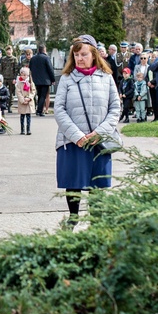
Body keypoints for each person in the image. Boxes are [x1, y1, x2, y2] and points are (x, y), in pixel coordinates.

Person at [54, 35, 120, 227]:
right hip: (73, 142)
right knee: (73, 183)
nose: (80, 59)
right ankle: (73, 219)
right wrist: (77, 136)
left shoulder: (106, 78)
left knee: (97, 184)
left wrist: (100, 132)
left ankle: (97, 224)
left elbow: (115, 108)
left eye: (83, 54)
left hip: (99, 141)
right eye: (76, 55)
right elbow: (59, 110)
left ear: (94, 55)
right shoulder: (67, 79)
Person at [30, 44, 55, 116]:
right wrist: (52, 79)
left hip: (36, 80)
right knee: (43, 96)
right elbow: (50, 69)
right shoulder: (46, 58)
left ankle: (38, 109)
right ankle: (39, 111)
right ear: (44, 50)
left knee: (39, 95)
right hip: (45, 80)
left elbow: (31, 68)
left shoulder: (33, 58)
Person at [15, 66, 36, 134]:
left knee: (28, 116)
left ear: (27, 75)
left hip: (29, 102)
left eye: (25, 75)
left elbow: (33, 91)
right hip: (22, 102)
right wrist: (22, 100)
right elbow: (18, 92)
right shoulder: (19, 83)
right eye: (22, 75)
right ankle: (22, 129)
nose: (23, 76)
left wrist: (29, 98)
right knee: (22, 116)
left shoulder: (30, 82)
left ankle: (28, 129)